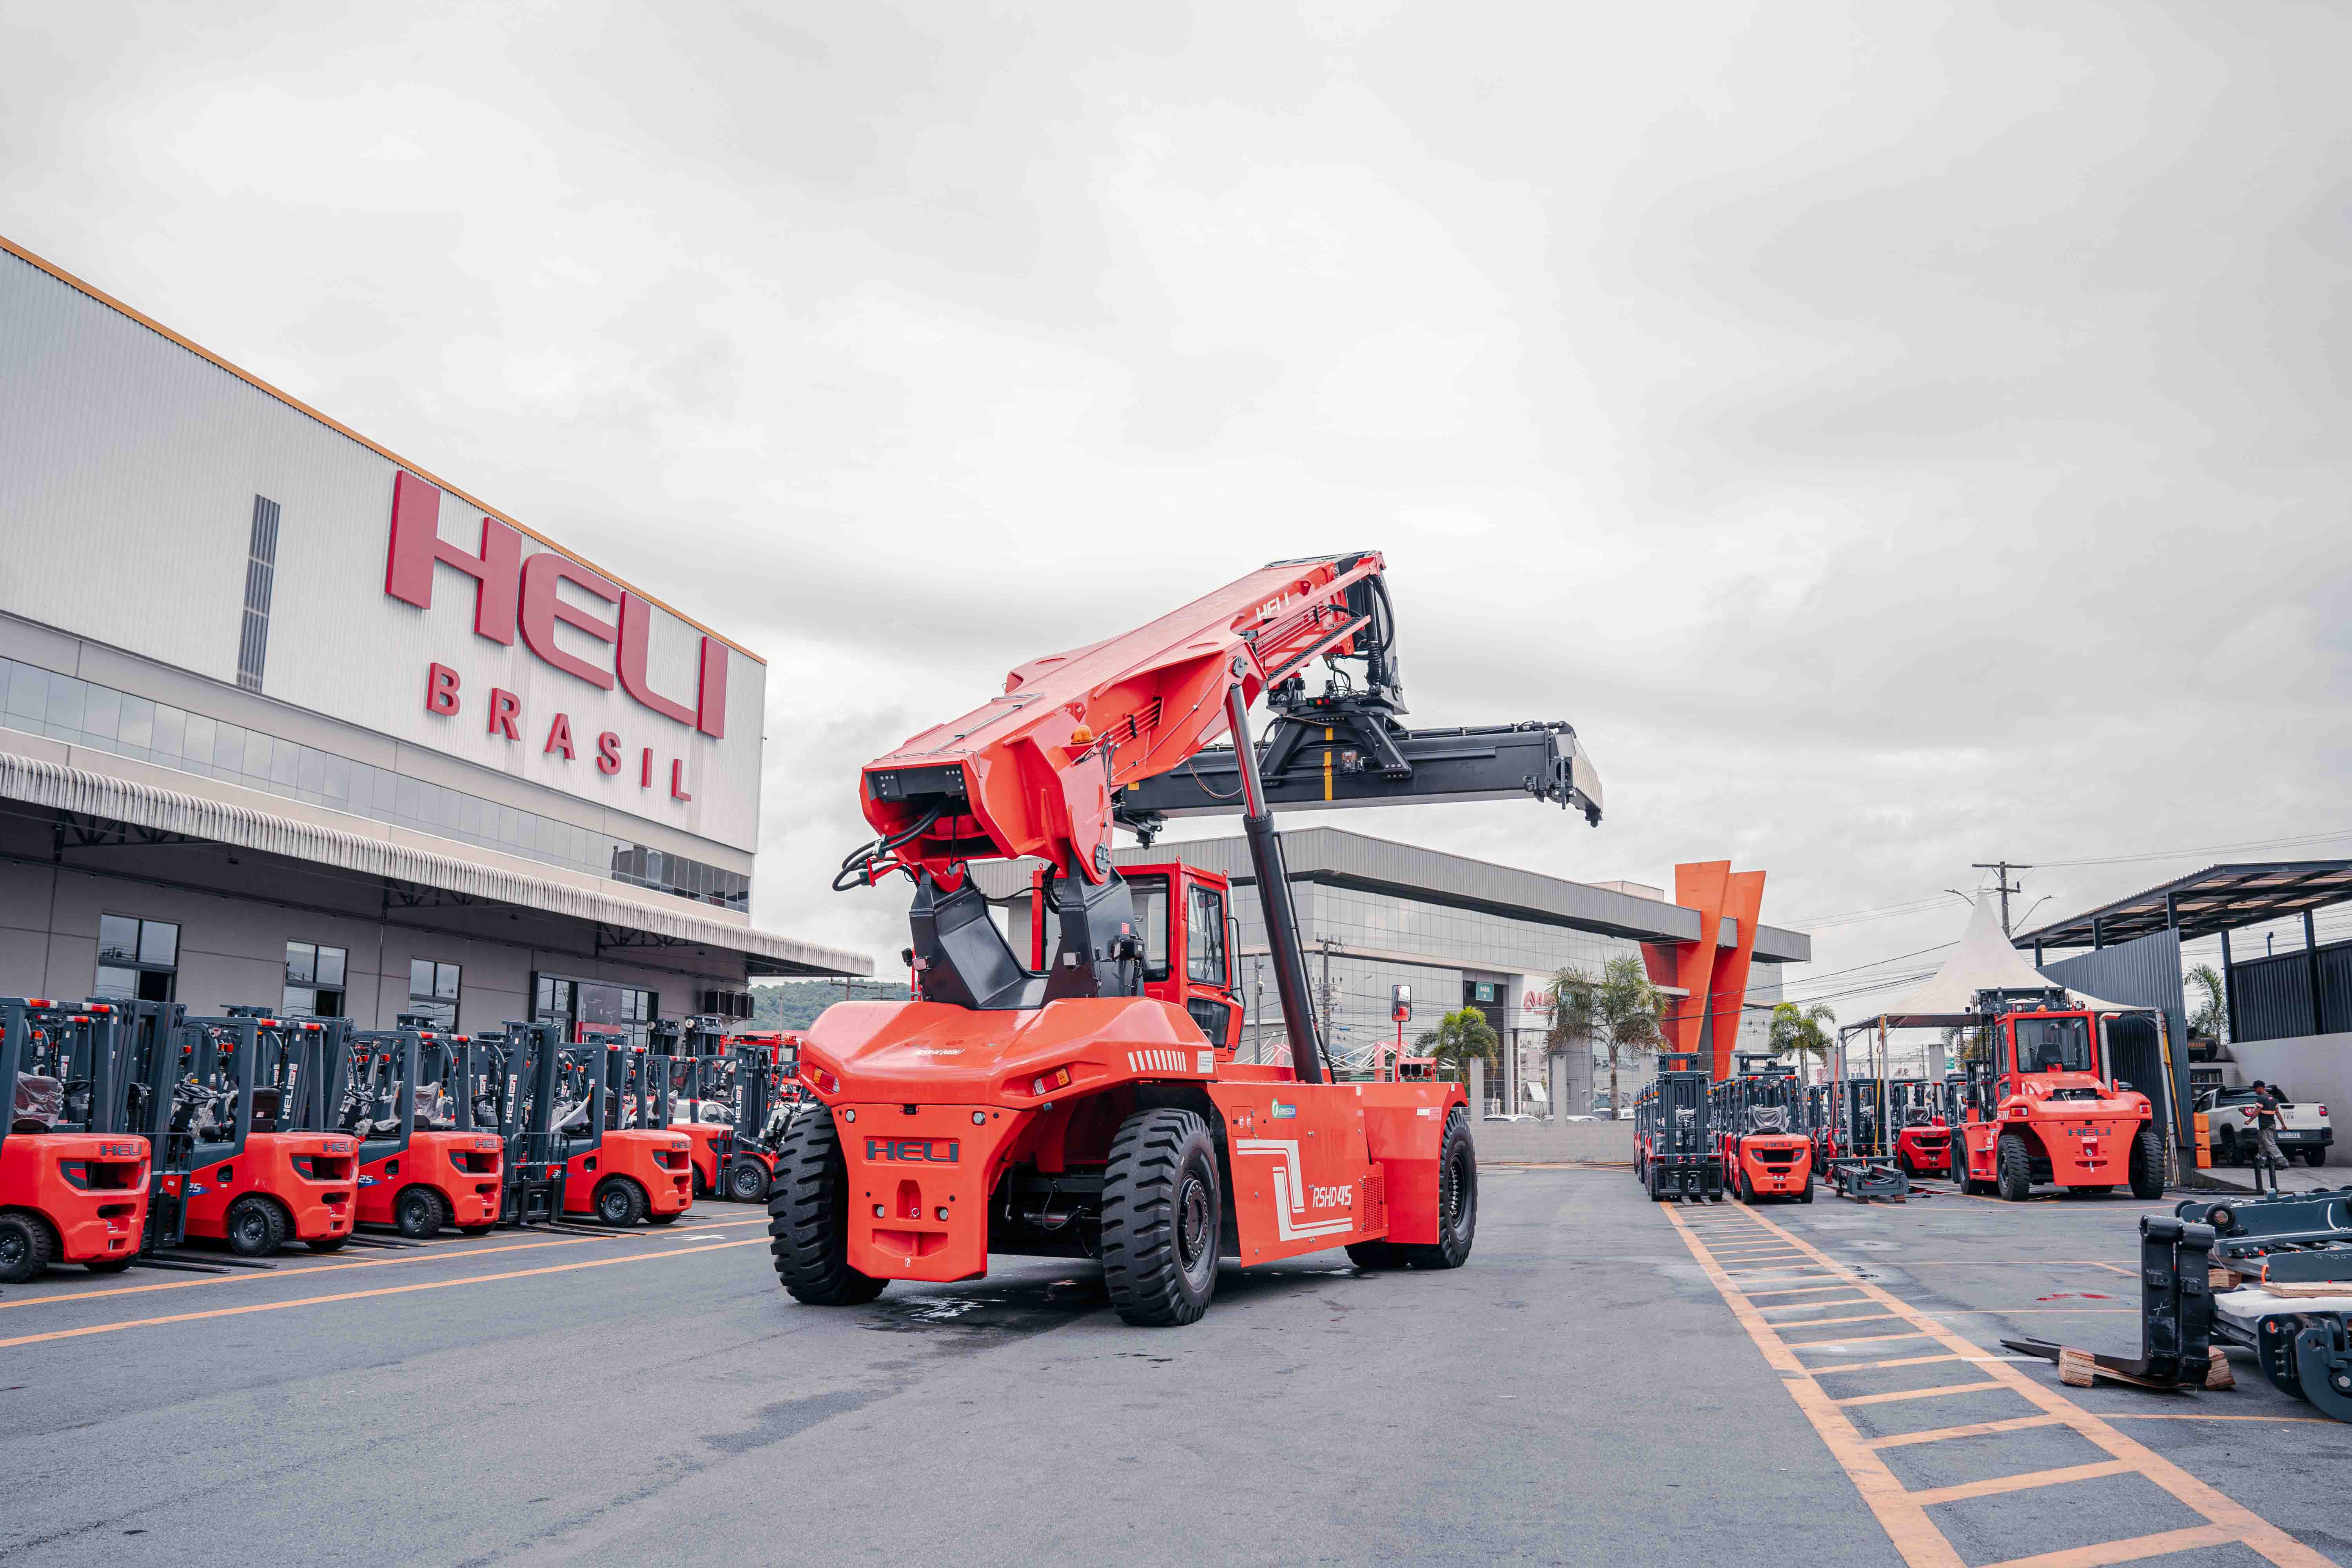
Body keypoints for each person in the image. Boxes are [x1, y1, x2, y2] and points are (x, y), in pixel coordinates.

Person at [2248, 1080, 2289, 1186]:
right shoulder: (2273, 1099)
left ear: (2260, 1088)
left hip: (2265, 1125)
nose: (2255, 1091)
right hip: (2271, 1124)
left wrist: (2249, 1121)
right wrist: (2283, 1124)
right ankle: (2261, 1163)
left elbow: (2257, 1111)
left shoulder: (2261, 1098)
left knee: (2270, 1144)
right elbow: (2278, 1113)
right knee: (2262, 1145)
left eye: (2255, 1089)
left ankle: (2283, 1162)